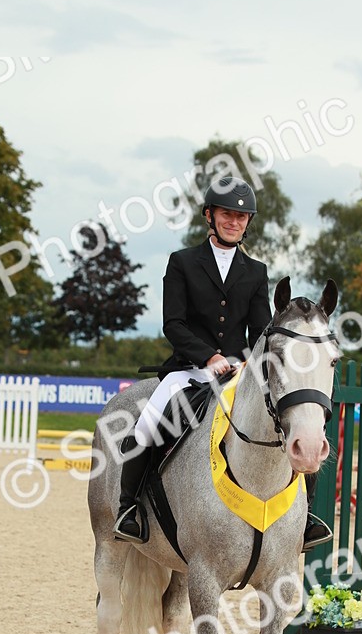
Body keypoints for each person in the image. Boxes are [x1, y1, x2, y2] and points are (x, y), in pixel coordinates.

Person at [113, 175, 331, 551]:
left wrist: (245, 363)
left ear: (248, 223)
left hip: (239, 373)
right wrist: (208, 356)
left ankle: (306, 516)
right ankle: (128, 508)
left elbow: (261, 331)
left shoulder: (256, 271)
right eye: (227, 214)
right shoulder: (182, 262)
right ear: (209, 216)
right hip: (189, 370)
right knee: (146, 427)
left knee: (292, 421)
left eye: (242, 216)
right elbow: (173, 324)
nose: (234, 221)